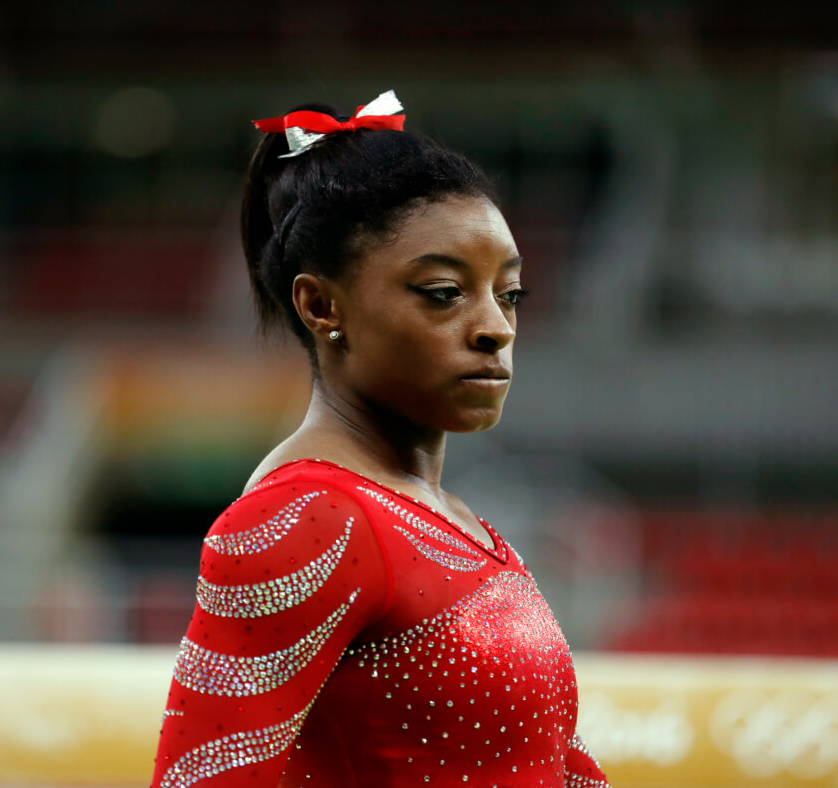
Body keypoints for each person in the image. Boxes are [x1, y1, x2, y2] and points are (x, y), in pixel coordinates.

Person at [151, 91, 610, 788]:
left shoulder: (455, 521)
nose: (496, 328)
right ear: (321, 305)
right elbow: (200, 776)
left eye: (509, 294)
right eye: (444, 292)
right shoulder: (306, 518)